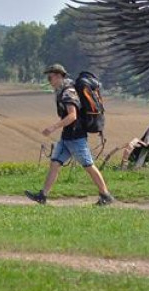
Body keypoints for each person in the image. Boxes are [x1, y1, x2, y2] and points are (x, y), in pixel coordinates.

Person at [26, 63, 114, 206]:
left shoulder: (68, 92)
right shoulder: (63, 91)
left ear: (59, 76)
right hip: (67, 137)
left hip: (76, 136)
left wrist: (52, 127)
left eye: (51, 77)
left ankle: (105, 195)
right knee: (55, 163)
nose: (50, 81)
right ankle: (42, 196)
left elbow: (72, 116)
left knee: (88, 165)